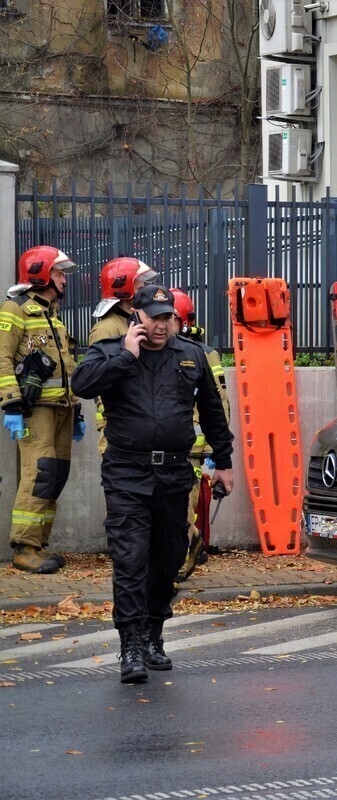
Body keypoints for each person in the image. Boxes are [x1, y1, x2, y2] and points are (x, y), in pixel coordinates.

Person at [72, 284, 234, 684]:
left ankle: (153, 632)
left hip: (175, 472)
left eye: (168, 317)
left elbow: (213, 411)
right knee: (130, 560)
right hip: (127, 471)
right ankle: (130, 645)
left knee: (168, 558)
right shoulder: (110, 351)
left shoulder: (191, 355)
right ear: (136, 317)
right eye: (154, 316)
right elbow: (82, 384)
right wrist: (128, 355)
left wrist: (224, 462)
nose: (161, 325)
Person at [0, 246, 83, 574]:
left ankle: (39, 544)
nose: (64, 279)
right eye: (60, 273)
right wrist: (11, 404)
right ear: (42, 273)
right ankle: (24, 547)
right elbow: (2, 358)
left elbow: (65, 366)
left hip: (61, 409)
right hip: (35, 411)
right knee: (40, 475)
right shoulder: (15, 309)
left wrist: (75, 409)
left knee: (55, 477)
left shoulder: (52, 314)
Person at [169, 287, 229, 581]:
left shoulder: (202, 354)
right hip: (172, 444)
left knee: (182, 507)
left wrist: (221, 452)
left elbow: (218, 403)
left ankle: (181, 560)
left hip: (191, 447)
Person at [89, 257, 157, 455]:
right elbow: (99, 376)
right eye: (140, 284)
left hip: (136, 418)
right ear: (124, 287)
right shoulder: (106, 328)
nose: (144, 289)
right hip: (116, 422)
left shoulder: (129, 324)